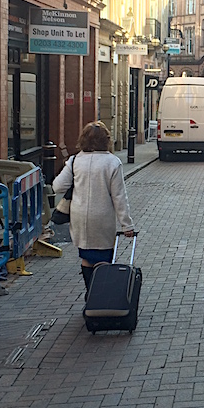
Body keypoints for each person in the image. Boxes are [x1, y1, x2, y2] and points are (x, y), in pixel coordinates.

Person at [52, 121, 136, 294]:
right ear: (106, 140)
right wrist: (126, 225)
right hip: (102, 218)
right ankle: (101, 297)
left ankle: (90, 295)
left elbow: (57, 186)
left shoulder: (75, 160)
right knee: (104, 257)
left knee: (87, 256)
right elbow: (119, 197)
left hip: (79, 217)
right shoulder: (112, 162)